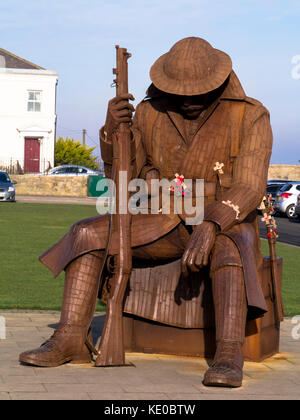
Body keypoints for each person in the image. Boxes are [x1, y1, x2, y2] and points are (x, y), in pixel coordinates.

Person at [19, 37, 273, 388]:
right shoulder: (150, 112)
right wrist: (113, 130)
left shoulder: (250, 114)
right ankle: (69, 338)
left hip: (225, 221)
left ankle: (229, 353)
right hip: (163, 218)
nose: (187, 100)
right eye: (181, 92)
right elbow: (124, 177)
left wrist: (213, 222)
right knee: (85, 233)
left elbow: (249, 186)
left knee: (229, 249)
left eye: (197, 92)